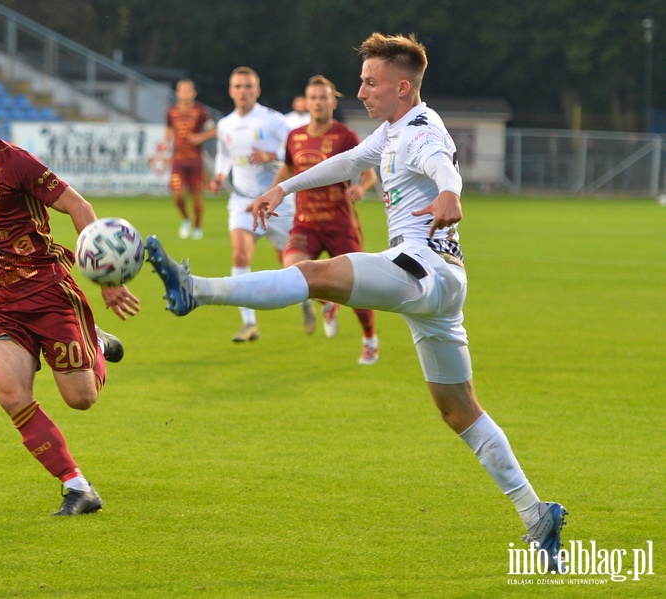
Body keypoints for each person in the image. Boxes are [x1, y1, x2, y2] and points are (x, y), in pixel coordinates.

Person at [146, 34, 566, 568]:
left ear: (403, 87)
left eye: (371, 82)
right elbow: (346, 162)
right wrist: (283, 189)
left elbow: (443, 167)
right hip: (441, 289)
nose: (361, 90)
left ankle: (197, 290)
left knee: (314, 274)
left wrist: (451, 193)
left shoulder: (419, 130)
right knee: (458, 410)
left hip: (421, 269)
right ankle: (537, 514)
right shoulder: (392, 132)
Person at [0, 80, 140, 516]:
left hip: (49, 291)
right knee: (10, 394)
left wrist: (108, 277)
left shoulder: (15, 162)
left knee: (81, 399)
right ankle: (78, 487)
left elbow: (79, 207)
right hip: (1, 302)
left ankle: (93, 341)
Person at [278, 75, 380, 364]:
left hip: (340, 223)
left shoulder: (345, 136)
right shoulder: (294, 136)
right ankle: (327, 302)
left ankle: (369, 338)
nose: (318, 102)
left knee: (358, 288)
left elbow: (369, 172)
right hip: (306, 222)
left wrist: (361, 186)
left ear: (333, 102)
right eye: (313, 97)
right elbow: (287, 170)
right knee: (293, 271)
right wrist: (270, 194)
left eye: (324, 97)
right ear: (306, 102)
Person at [210, 66, 293, 343]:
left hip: (278, 201)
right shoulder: (225, 124)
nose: (242, 92)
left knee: (292, 264)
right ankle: (249, 324)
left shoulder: (274, 121)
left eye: (248, 87)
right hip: (243, 201)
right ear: (230, 91)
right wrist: (220, 175)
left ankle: (314, 301)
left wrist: (271, 155)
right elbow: (224, 155)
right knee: (240, 256)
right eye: (237, 87)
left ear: (257, 91)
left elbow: (292, 152)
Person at [165, 79, 215, 240]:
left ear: (193, 93)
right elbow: (168, 132)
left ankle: (198, 227)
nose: (185, 93)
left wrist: (200, 137)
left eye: (188, 90)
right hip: (178, 160)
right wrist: (166, 148)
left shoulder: (201, 112)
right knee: (178, 195)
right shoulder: (171, 112)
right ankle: (186, 219)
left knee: (197, 196)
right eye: (182, 90)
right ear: (178, 93)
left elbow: (213, 130)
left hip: (195, 160)